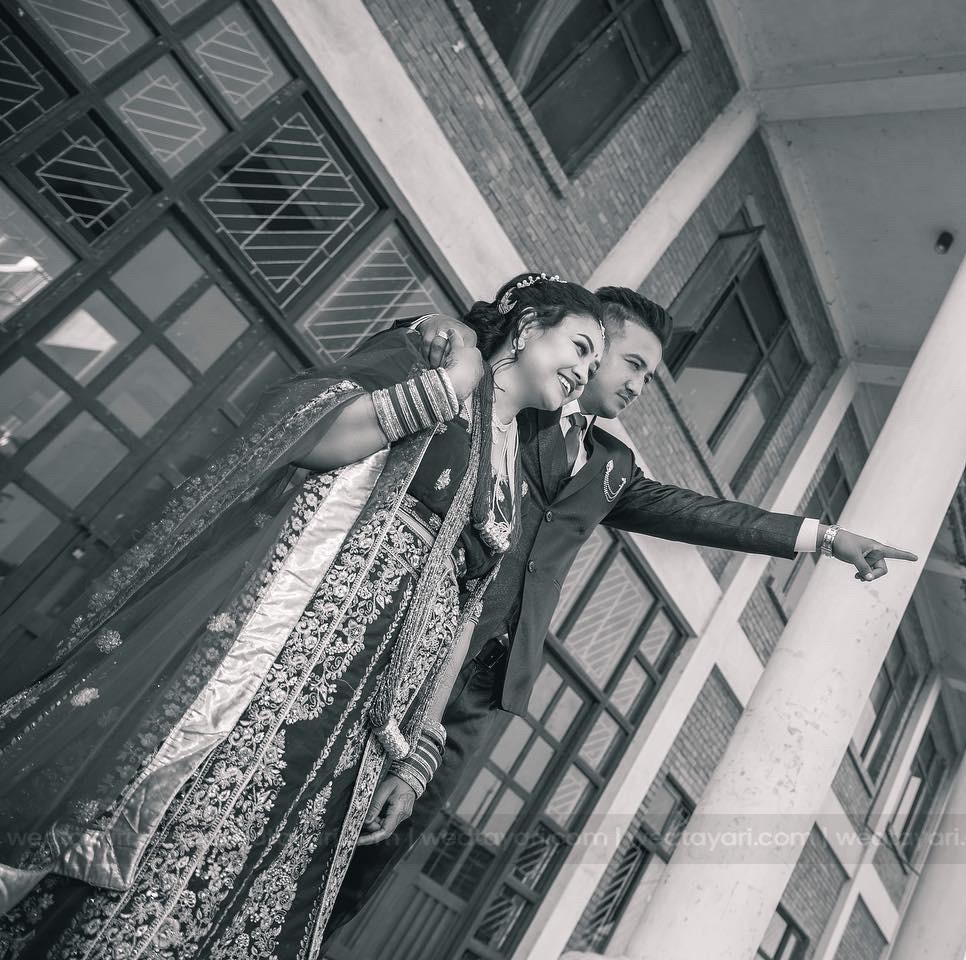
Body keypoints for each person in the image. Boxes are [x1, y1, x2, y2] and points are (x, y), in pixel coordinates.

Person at [0, 274, 605, 959]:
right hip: (284, 652)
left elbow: (464, 611)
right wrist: (450, 383)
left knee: (257, 859)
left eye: (594, 364)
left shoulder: (515, 472)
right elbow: (311, 435)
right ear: (527, 326)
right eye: (580, 347)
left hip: (362, 714)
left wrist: (416, 755)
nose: (585, 371)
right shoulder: (440, 357)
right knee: (187, 813)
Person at [327, 286, 915, 937]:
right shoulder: (519, 396)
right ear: (593, 344)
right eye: (631, 363)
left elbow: (702, 515)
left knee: (379, 854)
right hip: (422, 645)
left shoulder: (612, 463)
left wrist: (824, 538)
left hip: (489, 693)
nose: (638, 385)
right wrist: (445, 327)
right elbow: (470, 339)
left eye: (649, 376)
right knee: (327, 805)